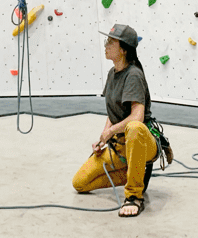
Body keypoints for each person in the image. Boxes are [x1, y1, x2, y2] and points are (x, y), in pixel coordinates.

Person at [72, 23, 169, 218]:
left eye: (111, 42)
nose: (106, 45)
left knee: (133, 127)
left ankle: (134, 195)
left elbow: (137, 117)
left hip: (141, 140)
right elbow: (113, 112)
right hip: (119, 147)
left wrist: (110, 131)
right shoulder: (112, 73)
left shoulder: (133, 75)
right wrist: (104, 138)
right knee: (80, 183)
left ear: (123, 50)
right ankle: (134, 171)